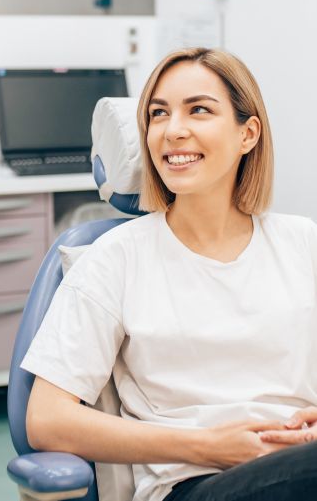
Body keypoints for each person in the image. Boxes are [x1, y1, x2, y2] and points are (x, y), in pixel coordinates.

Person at [22, 47, 317, 501]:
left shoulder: (302, 243)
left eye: (198, 109)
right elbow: (46, 419)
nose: (173, 130)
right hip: (195, 484)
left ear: (248, 133)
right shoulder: (115, 258)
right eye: (158, 114)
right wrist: (207, 445)